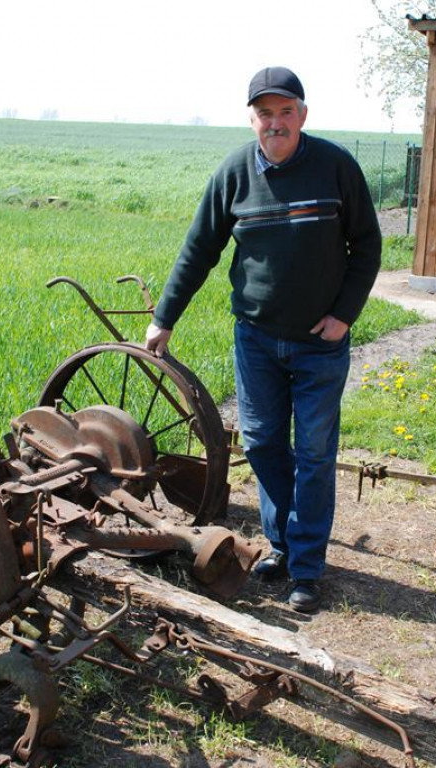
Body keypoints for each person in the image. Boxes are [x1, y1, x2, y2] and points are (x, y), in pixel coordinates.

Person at [145, 66, 381, 614]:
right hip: (256, 339)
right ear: (252, 118)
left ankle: (306, 568)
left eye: (285, 112)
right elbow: (198, 249)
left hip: (320, 342)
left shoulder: (335, 167)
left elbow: (367, 246)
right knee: (262, 443)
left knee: (315, 451)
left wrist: (344, 315)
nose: (275, 123)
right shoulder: (233, 173)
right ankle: (279, 544)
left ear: (303, 114)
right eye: (265, 114)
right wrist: (164, 317)